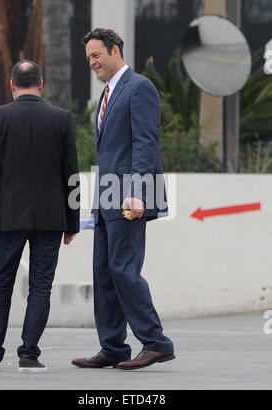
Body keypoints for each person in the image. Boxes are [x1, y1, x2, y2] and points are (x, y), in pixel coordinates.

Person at [72, 28, 174, 371]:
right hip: (107, 197)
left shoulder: (139, 87)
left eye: (97, 55)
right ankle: (113, 346)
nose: (92, 62)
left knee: (123, 268)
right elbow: (111, 151)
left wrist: (139, 193)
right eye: (88, 58)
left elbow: (145, 143)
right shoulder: (108, 93)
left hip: (129, 196)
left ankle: (156, 342)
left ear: (115, 50)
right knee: (103, 271)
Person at [0, 60, 79, 373]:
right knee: (41, 287)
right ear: (41, 84)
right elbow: (70, 174)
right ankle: (29, 355)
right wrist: (71, 223)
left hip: (8, 217)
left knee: (0, 285)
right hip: (50, 217)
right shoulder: (62, 118)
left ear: (12, 84)